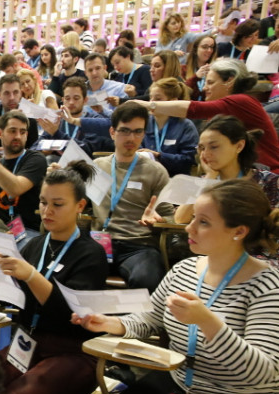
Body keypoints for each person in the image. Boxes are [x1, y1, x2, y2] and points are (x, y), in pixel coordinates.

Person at [72, 179, 279, 394]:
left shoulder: (266, 285)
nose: (189, 228)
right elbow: (150, 318)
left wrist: (208, 322)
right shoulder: (184, 270)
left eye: (203, 222)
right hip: (180, 384)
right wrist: (112, 323)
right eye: (193, 218)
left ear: (239, 231)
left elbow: (262, 373)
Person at [0, 161, 108, 394]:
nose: (47, 211)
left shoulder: (92, 254)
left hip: (71, 353)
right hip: (27, 342)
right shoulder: (34, 245)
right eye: (43, 202)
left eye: (58, 204)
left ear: (80, 206)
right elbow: (13, 296)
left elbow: (71, 314)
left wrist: (31, 275)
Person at [133, 58, 279, 173]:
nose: (204, 88)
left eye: (210, 82)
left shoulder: (241, 101)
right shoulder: (224, 108)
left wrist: (148, 105)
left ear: (229, 81)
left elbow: (195, 109)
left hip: (267, 176)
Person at [174, 115, 279, 266]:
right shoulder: (203, 183)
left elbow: (273, 232)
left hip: (261, 257)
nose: (206, 154)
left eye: (214, 147)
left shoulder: (267, 181)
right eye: (202, 148)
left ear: (239, 146)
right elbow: (180, 218)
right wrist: (209, 177)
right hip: (214, 255)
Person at [92, 103, 174, 292]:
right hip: (100, 242)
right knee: (71, 271)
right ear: (112, 132)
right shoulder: (97, 167)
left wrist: (158, 220)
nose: (131, 138)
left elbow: (170, 217)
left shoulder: (156, 171)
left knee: (146, 280)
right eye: (125, 131)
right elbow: (76, 202)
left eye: (138, 132)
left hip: (139, 245)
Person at [183, 35, 217, 101]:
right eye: (205, 47)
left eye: (212, 47)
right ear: (195, 49)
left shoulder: (215, 71)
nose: (209, 50)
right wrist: (195, 77)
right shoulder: (183, 69)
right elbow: (181, 92)